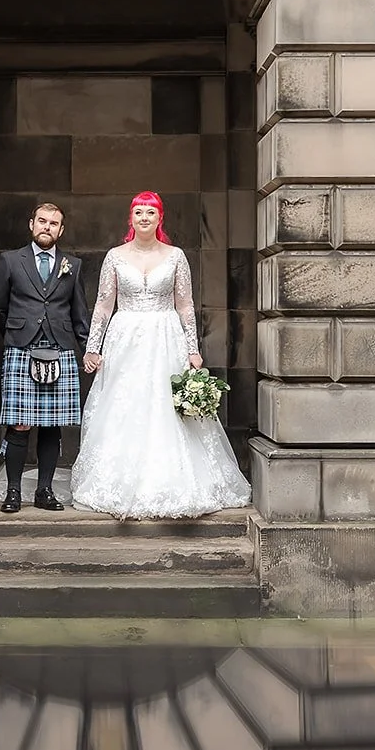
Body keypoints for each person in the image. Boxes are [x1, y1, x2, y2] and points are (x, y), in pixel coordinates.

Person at [69, 191, 251, 518]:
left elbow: (185, 305)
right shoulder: (115, 256)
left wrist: (193, 349)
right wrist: (93, 347)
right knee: (125, 404)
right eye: (138, 212)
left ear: (159, 218)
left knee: (166, 405)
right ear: (131, 218)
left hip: (166, 336)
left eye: (150, 212)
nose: (144, 217)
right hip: (125, 337)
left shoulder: (175, 256)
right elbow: (103, 305)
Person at [0, 202, 91, 513]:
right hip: (21, 348)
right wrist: (16, 332)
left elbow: (79, 312)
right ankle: (13, 492)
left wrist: (88, 348)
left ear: (61, 230)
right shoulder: (10, 260)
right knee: (20, 423)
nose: (47, 227)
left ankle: (45, 491)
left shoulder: (72, 265)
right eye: (42, 221)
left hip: (60, 348)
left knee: (52, 424)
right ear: (31, 224)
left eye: (53, 223)